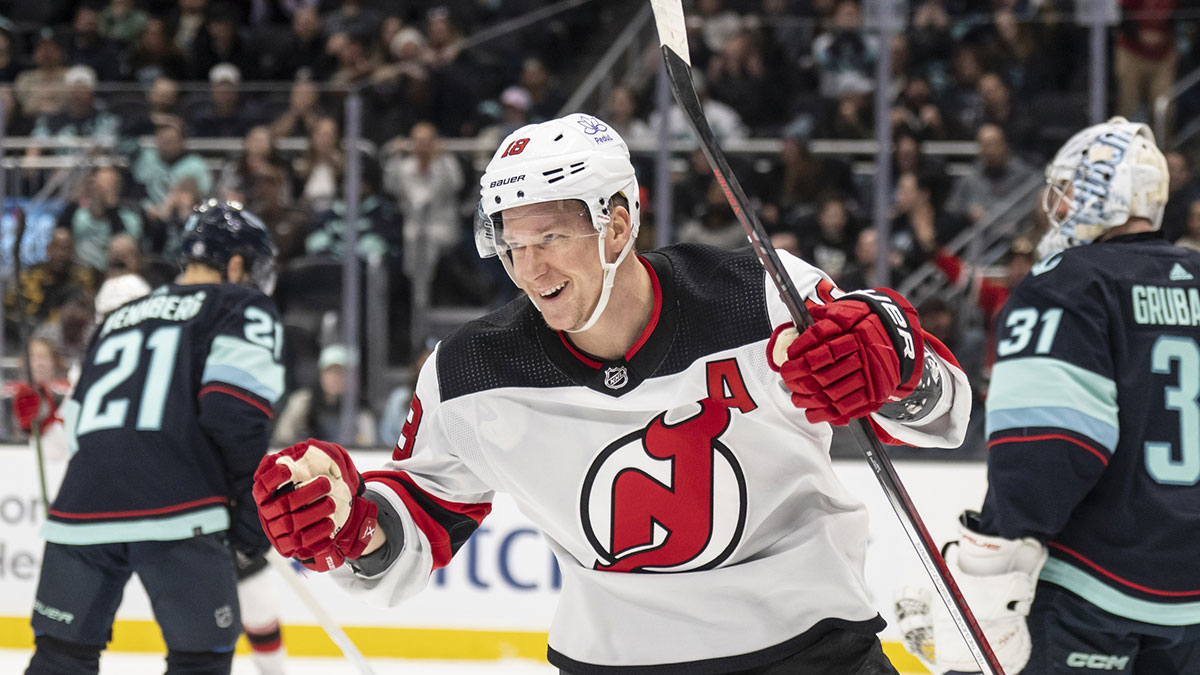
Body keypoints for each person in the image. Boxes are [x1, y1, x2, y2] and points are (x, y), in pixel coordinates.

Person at [252, 113, 971, 674]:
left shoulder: (760, 297)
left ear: (618, 222)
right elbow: (415, 523)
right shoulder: (470, 370)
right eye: (511, 243)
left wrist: (898, 363)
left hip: (815, 654)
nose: (529, 268)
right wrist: (351, 527)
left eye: (552, 237)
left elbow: (944, 413)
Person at [897, 117, 1200, 674]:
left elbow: (1051, 446)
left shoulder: (1067, 284)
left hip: (1095, 587)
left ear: (1103, 195)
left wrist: (997, 546)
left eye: (1068, 193)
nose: (1054, 211)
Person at [23, 201, 285, 675]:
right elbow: (233, 411)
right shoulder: (240, 304)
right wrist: (250, 501)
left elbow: (78, 426)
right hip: (179, 510)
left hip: (81, 510)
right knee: (198, 661)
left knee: (60, 658)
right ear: (236, 263)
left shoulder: (117, 319)